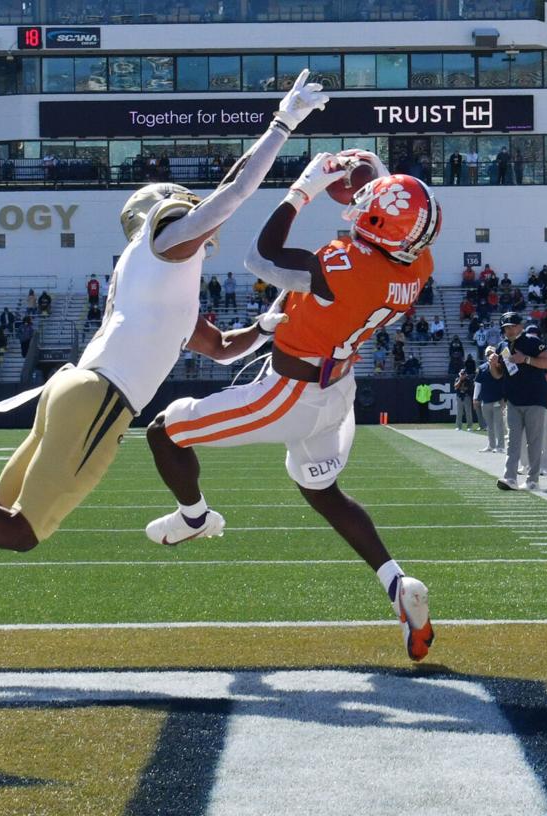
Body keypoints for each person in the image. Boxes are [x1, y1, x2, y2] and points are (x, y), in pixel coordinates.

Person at [0, 70, 334, 680]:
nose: (206, 218)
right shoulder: (167, 243)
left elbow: (224, 348)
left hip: (76, 393)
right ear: (165, 213)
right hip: (99, 399)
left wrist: (271, 323)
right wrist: (283, 124)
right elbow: (233, 193)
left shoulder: (166, 277)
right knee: (19, 532)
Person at [145, 156, 440, 663]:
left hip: (289, 393)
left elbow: (260, 260)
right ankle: (397, 583)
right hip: (337, 389)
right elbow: (389, 221)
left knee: (164, 432)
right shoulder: (417, 262)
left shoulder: (348, 267)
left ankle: (194, 518)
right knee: (323, 493)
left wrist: (303, 189)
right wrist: (369, 173)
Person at [488, 312, 547, 491]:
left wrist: (526, 359)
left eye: (512, 326)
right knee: (513, 441)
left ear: (520, 326)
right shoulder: (502, 346)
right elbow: (498, 375)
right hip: (513, 400)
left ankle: (533, 480)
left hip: (534, 398)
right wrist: (493, 365)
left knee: (534, 441)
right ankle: (510, 477)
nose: (509, 330)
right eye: (506, 327)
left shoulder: (532, 341)